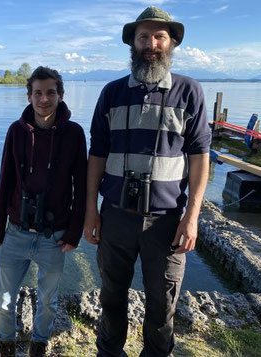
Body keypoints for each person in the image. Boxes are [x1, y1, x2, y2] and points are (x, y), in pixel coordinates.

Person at [84, 6, 211, 357]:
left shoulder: (190, 92)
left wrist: (192, 217)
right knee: (111, 297)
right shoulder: (111, 93)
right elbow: (96, 155)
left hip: (166, 221)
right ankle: (109, 353)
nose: (150, 43)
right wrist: (91, 212)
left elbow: (200, 158)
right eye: (143, 36)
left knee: (162, 303)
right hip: (116, 217)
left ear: (171, 43)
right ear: (132, 43)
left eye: (159, 36)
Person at [0, 66, 87, 356]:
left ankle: (39, 343)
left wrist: (75, 231)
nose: (44, 99)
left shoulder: (74, 133)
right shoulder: (15, 131)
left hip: (54, 235)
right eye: (38, 93)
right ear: (29, 95)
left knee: (47, 299)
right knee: (5, 299)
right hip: (16, 231)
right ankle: (6, 342)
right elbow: (5, 179)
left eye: (50, 93)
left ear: (60, 94)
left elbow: (81, 185)